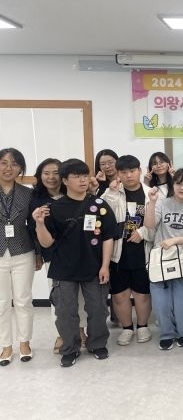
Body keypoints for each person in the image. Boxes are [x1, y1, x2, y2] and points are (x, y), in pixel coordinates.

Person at [33, 158, 116, 367]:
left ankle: (97, 344)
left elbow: (108, 237)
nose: (82, 180)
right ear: (65, 181)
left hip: (94, 267)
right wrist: (40, 224)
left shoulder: (99, 205)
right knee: (65, 312)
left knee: (98, 308)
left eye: (84, 175)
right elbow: (47, 242)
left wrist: (105, 265)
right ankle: (70, 348)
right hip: (63, 268)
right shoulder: (54, 208)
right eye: (76, 176)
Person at [28, 158, 87, 354]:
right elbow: (32, 230)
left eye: (55, 173)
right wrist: (37, 253)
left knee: (80, 297)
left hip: (78, 253)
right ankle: (62, 334)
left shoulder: (74, 194)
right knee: (58, 298)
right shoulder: (35, 200)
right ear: (40, 176)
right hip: (52, 255)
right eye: (46, 173)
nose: (51, 177)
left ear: (63, 177)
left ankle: (80, 331)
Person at [101, 155, 154, 346]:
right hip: (118, 252)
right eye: (124, 172)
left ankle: (143, 326)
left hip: (142, 251)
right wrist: (111, 192)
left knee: (142, 293)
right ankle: (127, 328)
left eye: (132, 171)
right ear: (118, 174)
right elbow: (102, 214)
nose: (129, 175)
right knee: (120, 294)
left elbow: (158, 224)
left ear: (140, 171)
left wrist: (143, 232)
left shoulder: (150, 193)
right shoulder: (112, 192)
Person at [144, 168, 183, 351]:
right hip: (161, 259)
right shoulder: (162, 203)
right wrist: (151, 203)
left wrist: (176, 240)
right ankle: (166, 334)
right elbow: (149, 225)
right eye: (179, 183)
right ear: (172, 185)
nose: (182, 187)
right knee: (160, 302)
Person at [0, 148, 37, 366]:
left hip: (23, 250)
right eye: (4, 163)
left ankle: (24, 343)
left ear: (21, 168)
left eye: (14, 164)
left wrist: (39, 254)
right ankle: (6, 345)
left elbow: (33, 225)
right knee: (1, 302)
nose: (8, 168)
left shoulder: (27, 193)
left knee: (23, 299)